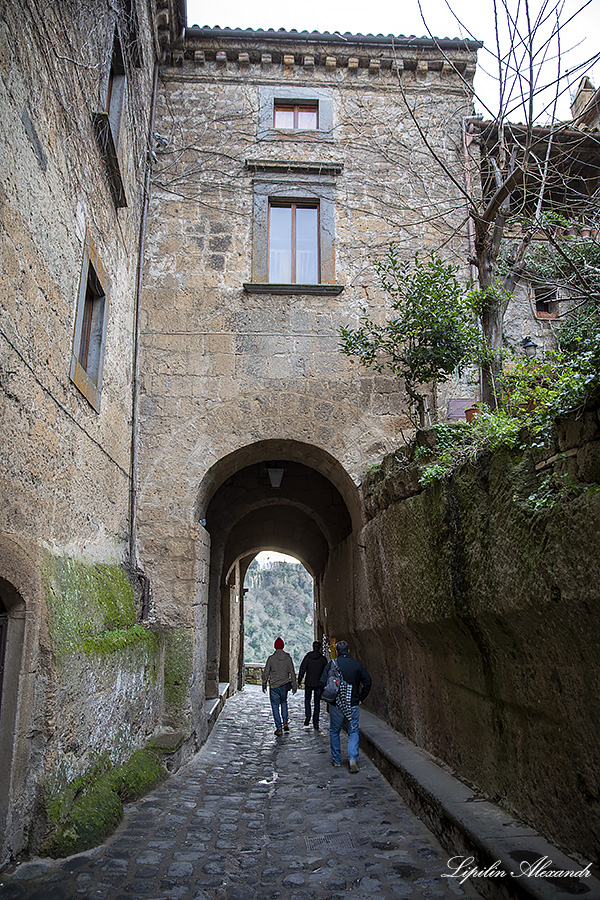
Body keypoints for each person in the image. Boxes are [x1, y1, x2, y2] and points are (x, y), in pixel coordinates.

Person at [320, 640, 372, 773]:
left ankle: (336, 760)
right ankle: (353, 758)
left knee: (334, 731)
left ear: (336, 652)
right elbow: (368, 682)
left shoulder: (332, 664)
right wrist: (361, 697)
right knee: (353, 730)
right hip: (353, 703)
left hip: (336, 704)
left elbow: (322, 682)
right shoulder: (357, 665)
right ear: (349, 651)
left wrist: (328, 697)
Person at [262, 637, 297, 735]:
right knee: (284, 702)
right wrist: (294, 686)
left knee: (275, 706)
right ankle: (285, 722)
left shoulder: (271, 659)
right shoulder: (288, 658)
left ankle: (279, 728)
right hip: (285, 685)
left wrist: (264, 684)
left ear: (275, 646)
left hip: (274, 686)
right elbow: (292, 673)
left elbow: (266, 673)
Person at [298, 640, 328, 730]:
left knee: (307, 700)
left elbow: (302, 669)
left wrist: (299, 680)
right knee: (317, 702)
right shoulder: (323, 659)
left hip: (309, 682)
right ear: (320, 648)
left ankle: (308, 715)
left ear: (313, 647)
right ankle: (316, 722)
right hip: (318, 684)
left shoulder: (307, 657)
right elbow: (326, 672)